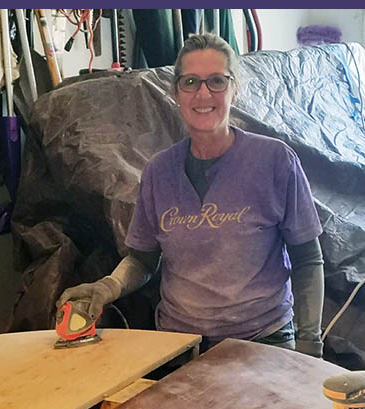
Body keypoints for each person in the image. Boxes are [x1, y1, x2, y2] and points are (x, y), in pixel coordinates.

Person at [56, 32, 325, 358]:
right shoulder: (159, 172)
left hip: (262, 340)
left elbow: (307, 258)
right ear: (175, 93)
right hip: (181, 343)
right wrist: (107, 287)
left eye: (217, 81)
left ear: (234, 90)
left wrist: (309, 346)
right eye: (190, 82)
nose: (203, 93)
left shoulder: (275, 162)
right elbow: (142, 259)